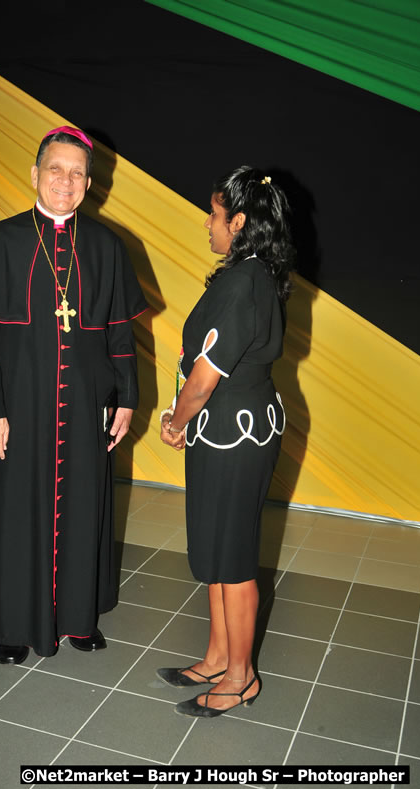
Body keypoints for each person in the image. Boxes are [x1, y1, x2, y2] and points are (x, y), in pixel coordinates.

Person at [0, 126, 147, 663]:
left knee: (85, 508)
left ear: (89, 184)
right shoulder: (1, 241)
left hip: (85, 410)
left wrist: (127, 397)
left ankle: (79, 617)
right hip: (21, 409)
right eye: (55, 169)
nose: (66, 180)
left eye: (77, 173)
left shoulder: (106, 246)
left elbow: (120, 332)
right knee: (16, 513)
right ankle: (13, 624)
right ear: (35, 174)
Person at [159, 166, 294, 717]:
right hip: (224, 431)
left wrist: (176, 420)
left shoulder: (245, 282)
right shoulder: (248, 275)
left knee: (234, 557)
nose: (208, 223)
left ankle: (242, 677)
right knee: (217, 547)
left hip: (235, 432)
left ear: (238, 222)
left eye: (214, 214)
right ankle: (218, 655)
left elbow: (206, 374)